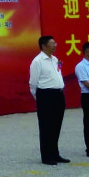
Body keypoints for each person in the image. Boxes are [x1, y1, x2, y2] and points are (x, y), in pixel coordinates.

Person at [29, 35, 69, 165]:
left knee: (56, 125)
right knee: (46, 126)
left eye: (55, 43)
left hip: (58, 94)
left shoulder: (55, 59)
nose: (55, 45)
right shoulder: (37, 61)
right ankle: (46, 156)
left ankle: (55, 153)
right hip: (46, 95)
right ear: (44, 46)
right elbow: (33, 83)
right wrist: (40, 98)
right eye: (52, 43)